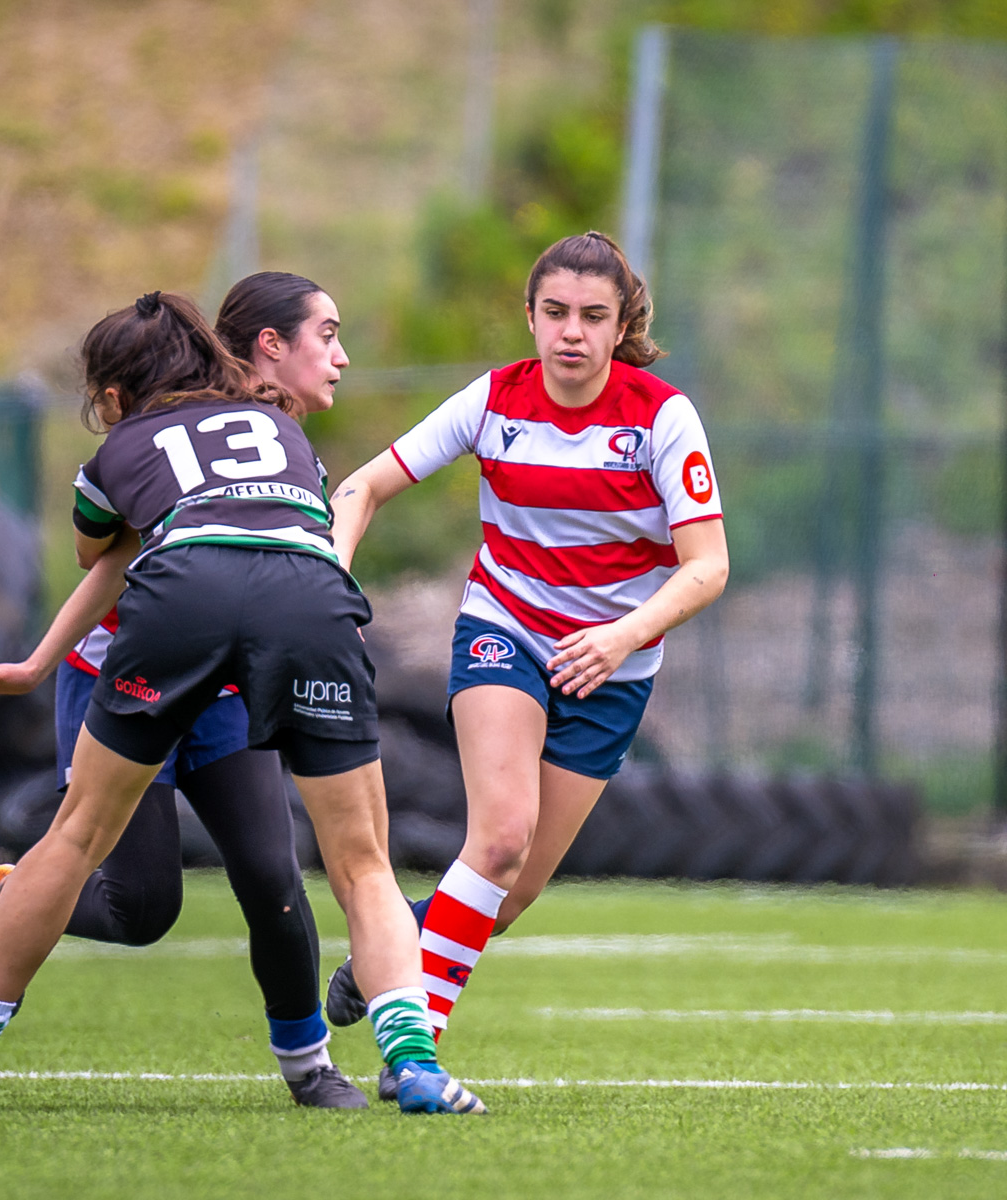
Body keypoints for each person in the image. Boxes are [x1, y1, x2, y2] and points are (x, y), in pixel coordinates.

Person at [0, 289, 484, 1116]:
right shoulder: (278, 430)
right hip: (277, 606)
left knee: (205, 862)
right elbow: (151, 554)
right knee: (348, 866)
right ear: (253, 353)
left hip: (185, 625)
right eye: (326, 336)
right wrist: (41, 664)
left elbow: (107, 549)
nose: (339, 355)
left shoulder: (134, 446)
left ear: (115, 397)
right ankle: (415, 1062)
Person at [322, 231, 729, 1081]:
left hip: (613, 669)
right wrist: (330, 578)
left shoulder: (662, 417)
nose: (571, 333)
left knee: (504, 900)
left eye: (592, 316)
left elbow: (709, 567)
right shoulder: (495, 401)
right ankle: (415, 1049)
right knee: (499, 838)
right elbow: (362, 486)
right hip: (503, 631)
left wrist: (620, 637)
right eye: (554, 313)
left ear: (622, 328)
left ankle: (383, 953)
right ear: (531, 317)